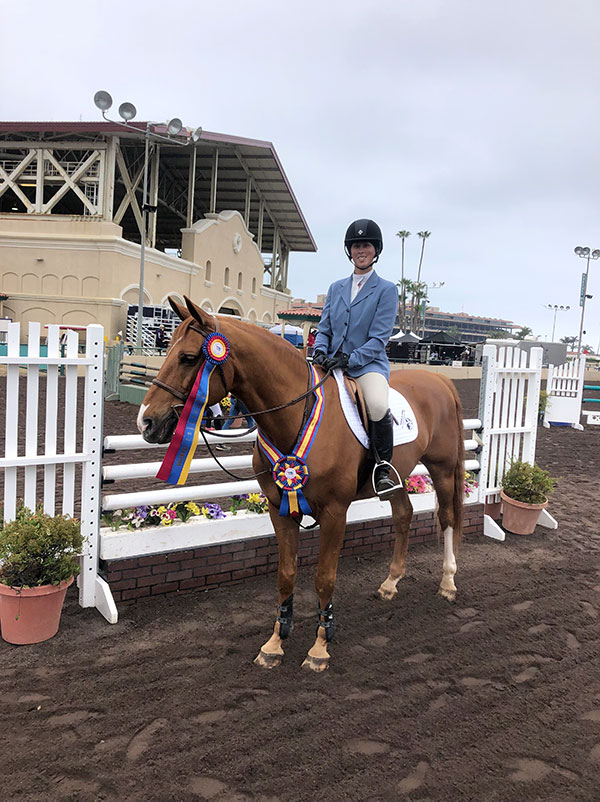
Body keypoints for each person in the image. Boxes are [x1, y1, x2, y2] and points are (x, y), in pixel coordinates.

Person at [312, 218, 400, 497]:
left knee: (375, 404)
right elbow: (324, 328)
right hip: (330, 363)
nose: (361, 250)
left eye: (367, 245)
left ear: (376, 250)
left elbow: (379, 339)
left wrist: (350, 360)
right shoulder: (336, 287)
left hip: (366, 366)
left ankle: (382, 469)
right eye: (356, 246)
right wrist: (319, 351)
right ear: (349, 250)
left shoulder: (386, 290)